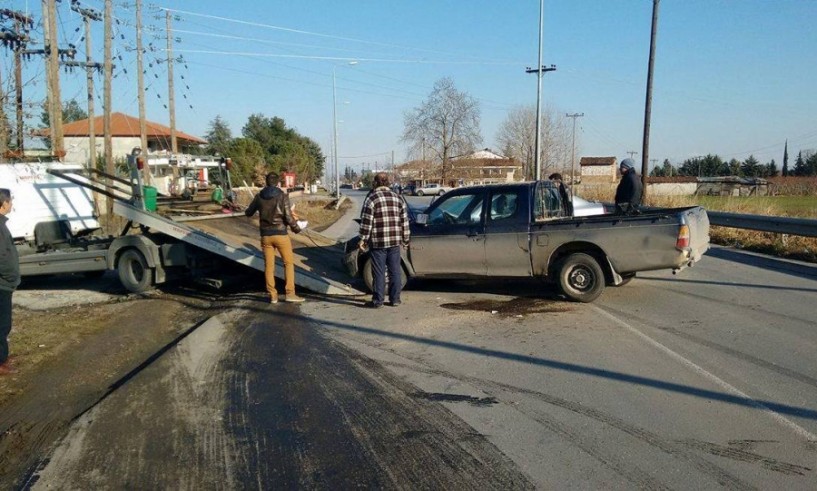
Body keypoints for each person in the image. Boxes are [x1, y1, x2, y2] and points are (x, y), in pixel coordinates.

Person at [245, 173, 305, 304]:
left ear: (266, 183)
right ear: (278, 183)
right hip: (281, 235)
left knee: (269, 266)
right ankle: (290, 294)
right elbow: (288, 217)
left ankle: (273, 295)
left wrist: (251, 209)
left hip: (266, 236)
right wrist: (297, 228)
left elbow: (248, 213)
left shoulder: (259, 196)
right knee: (288, 264)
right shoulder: (283, 196)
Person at [358, 172, 410, 308]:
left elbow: (366, 222)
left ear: (375, 183)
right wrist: (405, 240)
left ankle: (378, 300)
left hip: (378, 242)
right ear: (388, 183)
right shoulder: (398, 198)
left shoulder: (372, 199)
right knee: (395, 271)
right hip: (394, 241)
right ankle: (395, 299)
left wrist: (362, 239)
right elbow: (404, 222)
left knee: (379, 272)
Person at [0, 189, 20, 375]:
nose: (11, 204)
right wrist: (11, 276)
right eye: (10, 201)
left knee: (4, 324)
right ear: (4, 204)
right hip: (2, 284)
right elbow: (2, 258)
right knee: (2, 324)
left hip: (4, 283)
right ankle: (0, 363)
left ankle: (3, 357)